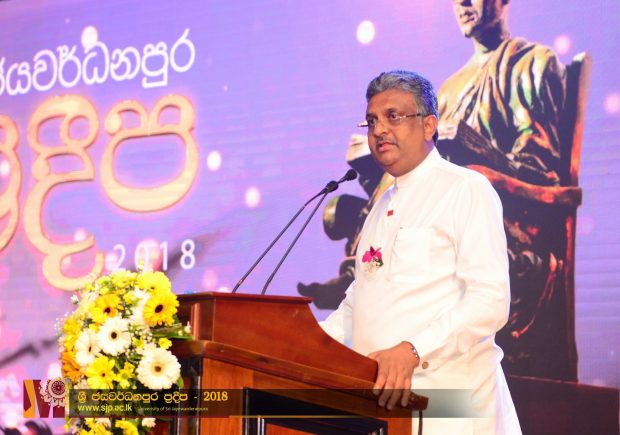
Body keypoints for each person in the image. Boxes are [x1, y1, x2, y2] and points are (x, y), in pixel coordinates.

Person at [320, 70, 521, 434]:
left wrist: (413, 350)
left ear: (429, 125)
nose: (379, 130)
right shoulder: (382, 206)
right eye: (371, 121)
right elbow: (360, 303)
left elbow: (489, 301)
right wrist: (308, 343)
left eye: (393, 117)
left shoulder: (465, 189)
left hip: (451, 406)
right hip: (386, 408)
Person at [438, 0, 576, 380]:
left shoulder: (533, 63)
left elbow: (539, 167)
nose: (463, 3)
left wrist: (479, 160)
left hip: (511, 217)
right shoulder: (449, 89)